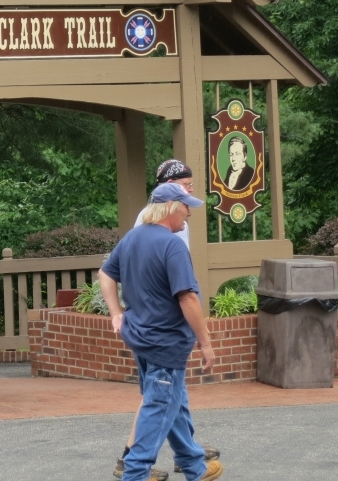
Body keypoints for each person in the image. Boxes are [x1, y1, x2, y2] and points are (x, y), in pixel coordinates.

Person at [101, 183, 224, 481]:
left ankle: (194, 466)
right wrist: (205, 342)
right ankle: (135, 475)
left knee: (173, 401)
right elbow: (188, 298)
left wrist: (117, 312)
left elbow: (105, 273)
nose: (189, 215)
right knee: (158, 408)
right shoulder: (172, 245)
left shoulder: (133, 239)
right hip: (165, 344)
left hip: (141, 340)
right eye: (185, 207)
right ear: (170, 207)